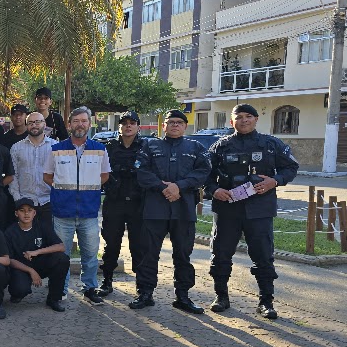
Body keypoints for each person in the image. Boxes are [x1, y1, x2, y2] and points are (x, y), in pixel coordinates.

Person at [206, 103, 299, 318]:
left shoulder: (271, 144)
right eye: (239, 117)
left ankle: (266, 302)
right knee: (220, 255)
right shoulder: (220, 146)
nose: (244, 120)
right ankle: (221, 297)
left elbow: (291, 167)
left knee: (263, 256)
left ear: (256, 119)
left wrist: (275, 181)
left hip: (260, 210)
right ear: (232, 122)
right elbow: (204, 174)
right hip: (227, 210)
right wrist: (214, 190)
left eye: (248, 116)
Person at [129, 109, 211, 313]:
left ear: (185, 126)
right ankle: (145, 293)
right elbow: (141, 171)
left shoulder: (196, 147)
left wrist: (179, 186)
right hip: (154, 208)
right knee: (148, 253)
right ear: (163, 126)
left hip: (183, 209)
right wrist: (163, 187)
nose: (175, 125)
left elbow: (203, 172)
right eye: (171, 122)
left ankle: (183, 296)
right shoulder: (149, 145)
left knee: (183, 254)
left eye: (179, 122)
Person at [43, 106, 110, 305]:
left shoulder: (100, 149)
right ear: (69, 124)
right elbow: (47, 176)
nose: (80, 124)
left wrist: (88, 191)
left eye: (84, 121)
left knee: (90, 255)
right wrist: (63, 191)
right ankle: (60, 289)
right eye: (76, 121)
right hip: (62, 212)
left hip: (89, 212)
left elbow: (105, 175)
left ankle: (89, 288)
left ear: (90, 124)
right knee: (61, 255)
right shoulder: (56, 149)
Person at [99, 111, 145, 297]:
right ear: (119, 126)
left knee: (139, 245)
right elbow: (102, 173)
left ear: (138, 126)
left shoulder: (145, 147)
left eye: (132, 123)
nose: (128, 126)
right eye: (124, 123)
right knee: (111, 244)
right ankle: (107, 281)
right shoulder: (109, 147)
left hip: (137, 202)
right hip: (115, 201)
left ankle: (142, 285)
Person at [5, 198, 69, 312]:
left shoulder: (42, 226)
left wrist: (36, 252)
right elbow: (9, 259)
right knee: (19, 289)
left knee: (62, 259)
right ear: (16, 213)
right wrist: (31, 271)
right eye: (22, 210)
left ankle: (53, 299)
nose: (26, 214)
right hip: (21, 268)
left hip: (41, 264)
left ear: (34, 213)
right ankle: (18, 293)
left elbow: (61, 247)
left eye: (29, 210)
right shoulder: (10, 232)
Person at [9, 111, 56, 226]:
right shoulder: (16, 148)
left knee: (49, 235)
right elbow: (13, 176)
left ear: (44, 124)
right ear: (26, 126)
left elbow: (60, 175)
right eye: (30, 123)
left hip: (49, 201)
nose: (34, 125)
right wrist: (18, 199)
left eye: (38, 122)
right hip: (25, 203)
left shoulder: (55, 146)